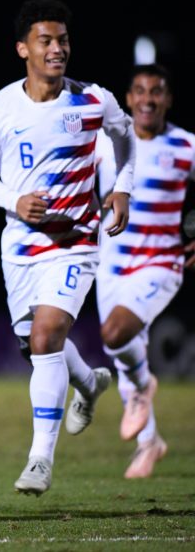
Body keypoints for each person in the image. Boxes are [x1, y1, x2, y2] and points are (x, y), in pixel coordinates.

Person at [0, 0, 136, 496]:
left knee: (45, 338)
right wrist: (16, 201)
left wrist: (120, 188)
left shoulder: (93, 100)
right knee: (34, 345)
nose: (57, 49)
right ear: (23, 49)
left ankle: (39, 459)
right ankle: (89, 382)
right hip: (20, 246)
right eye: (46, 41)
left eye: (62, 40)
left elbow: (125, 139)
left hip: (77, 242)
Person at [94, 63, 195, 478]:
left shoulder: (186, 146)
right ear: (129, 98)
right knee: (122, 356)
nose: (148, 99)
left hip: (161, 263)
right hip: (110, 262)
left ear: (168, 99)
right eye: (139, 91)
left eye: (156, 91)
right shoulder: (107, 143)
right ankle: (148, 441)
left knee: (116, 334)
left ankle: (145, 387)